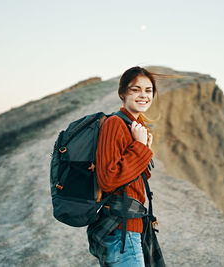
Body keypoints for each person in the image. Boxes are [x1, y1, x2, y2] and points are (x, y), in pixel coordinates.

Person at [92, 66, 158, 266]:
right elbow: (108, 180)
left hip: (131, 226)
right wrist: (139, 147)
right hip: (122, 230)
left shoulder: (134, 127)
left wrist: (144, 147)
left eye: (148, 90)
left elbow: (133, 180)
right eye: (135, 89)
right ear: (122, 93)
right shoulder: (115, 124)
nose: (143, 95)